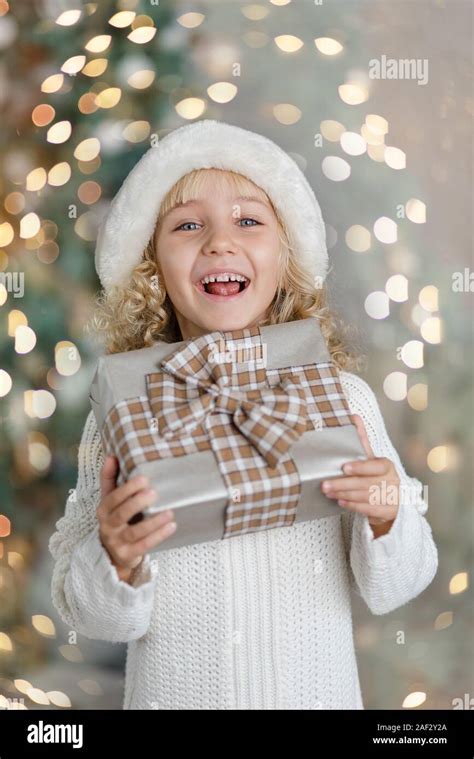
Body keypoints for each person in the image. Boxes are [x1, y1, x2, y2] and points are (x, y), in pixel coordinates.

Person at [49, 120, 438, 710]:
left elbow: (397, 584)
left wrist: (389, 515)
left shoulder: (344, 399)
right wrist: (114, 557)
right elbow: (93, 616)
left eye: (249, 220)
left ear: (284, 259)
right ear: (152, 264)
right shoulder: (120, 419)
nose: (219, 243)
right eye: (187, 225)